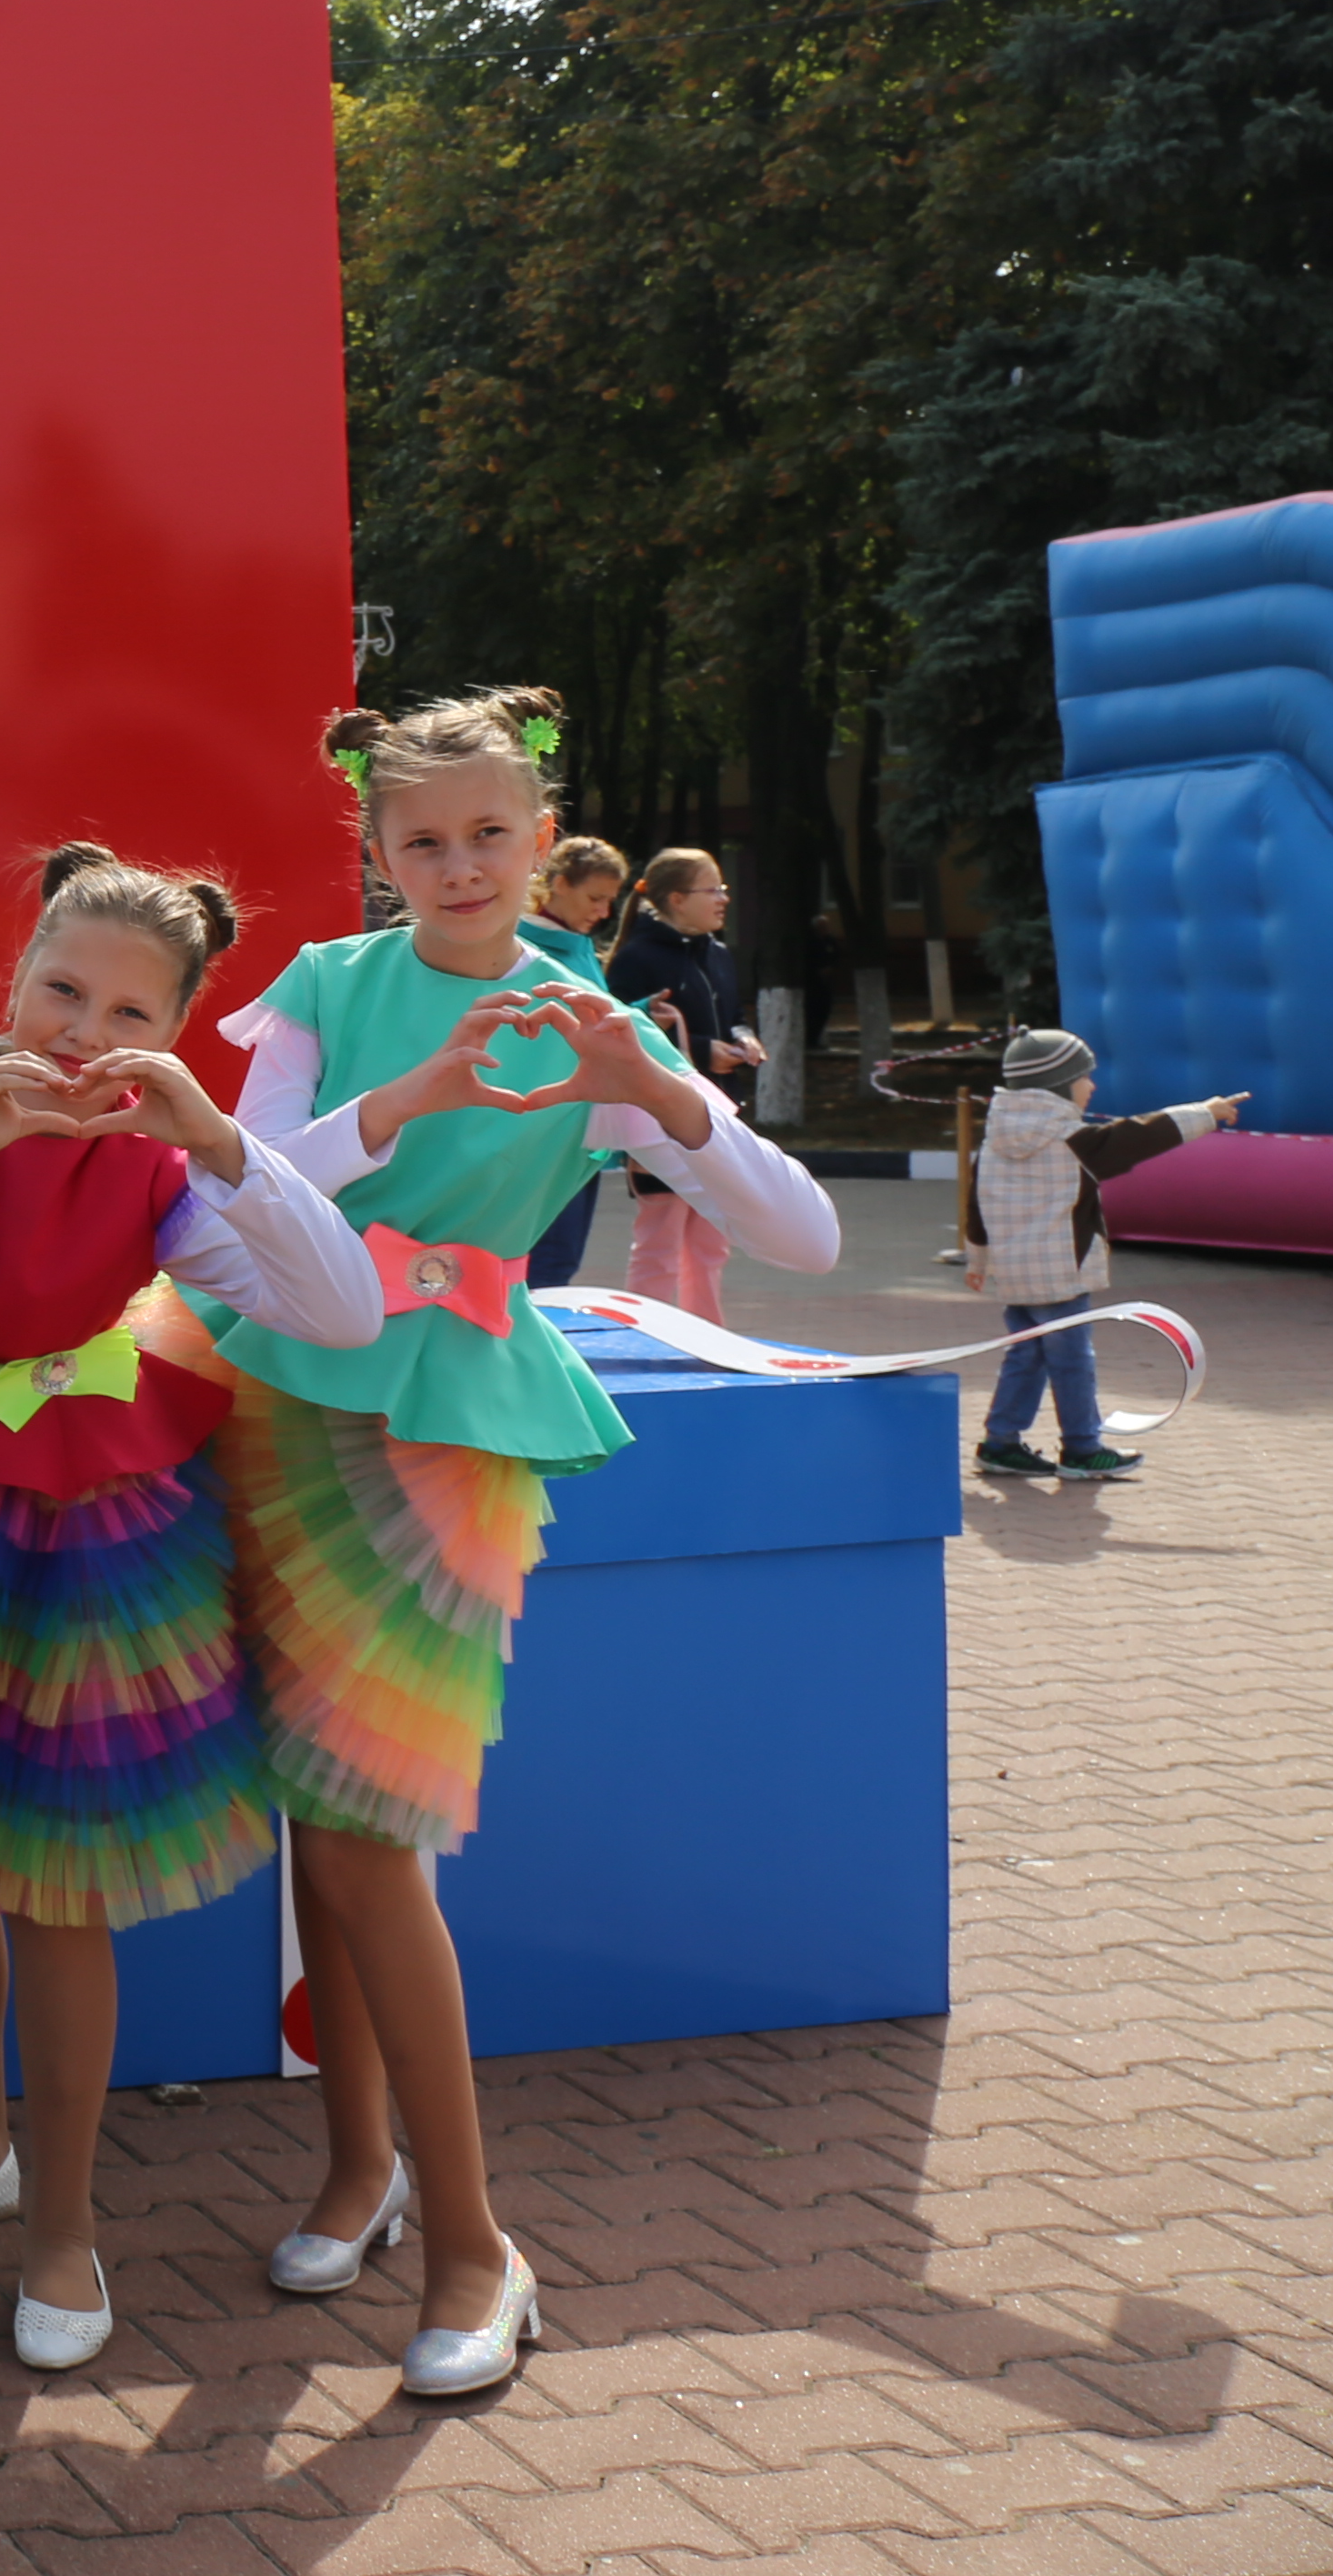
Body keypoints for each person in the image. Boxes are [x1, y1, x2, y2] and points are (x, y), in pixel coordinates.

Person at [195, 691, 837, 2397]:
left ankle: (479, 2240)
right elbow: (235, 1197)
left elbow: (811, 1230)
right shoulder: (323, 990)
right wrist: (397, 1095)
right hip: (276, 1395)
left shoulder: (589, 1013)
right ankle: (357, 2164)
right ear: (375, 848)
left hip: (445, 1426)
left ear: (543, 841)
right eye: (423, 838)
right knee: (309, 1803)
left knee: (367, 1827)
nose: (458, 865)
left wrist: (665, 1098)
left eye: (491, 834)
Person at [0, 848, 374, 2378]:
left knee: (58, 1879)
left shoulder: (157, 1152)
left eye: (126, 1010)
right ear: (13, 967)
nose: (77, 1029)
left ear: (175, 1028)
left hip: (99, 1524)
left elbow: (337, 1308)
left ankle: (64, 2217)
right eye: (60, 986)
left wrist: (225, 1147)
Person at [961, 1028, 1238, 1483]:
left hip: (1017, 1275)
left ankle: (1001, 1442)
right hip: (1061, 1274)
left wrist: (977, 1260)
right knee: (1072, 1361)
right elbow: (1141, 1136)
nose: (1092, 1086)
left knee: (1026, 1356)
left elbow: (976, 1202)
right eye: (1085, 1077)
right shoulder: (1075, 1140)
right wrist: (1205, 1113)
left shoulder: (994, 1141)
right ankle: (1083, 1449)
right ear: (1058, 1084)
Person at [601, 847, 767, 1323]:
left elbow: (733, 1015)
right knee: (659, 1242)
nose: (723, 899)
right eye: (712, 889)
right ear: (676, 898)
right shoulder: (636, 958)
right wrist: (698, 1046)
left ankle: (708, 1340)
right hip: (658, 1125)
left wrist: (743, 1037)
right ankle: (644, 1338)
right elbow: (621, 1037)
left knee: (712, 1244)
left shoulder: (716, 953)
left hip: (717, 1120)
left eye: (723, 888)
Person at [516, 838, 634, 1290]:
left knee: (559, 1260)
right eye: (594, 898)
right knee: (543, 1261)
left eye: (609, 901)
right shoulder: (520, 945)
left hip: (581, 1125)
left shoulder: (575, 944)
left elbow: (590, 1019)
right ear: (559, 884)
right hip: (541, 1127)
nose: (603, 912)